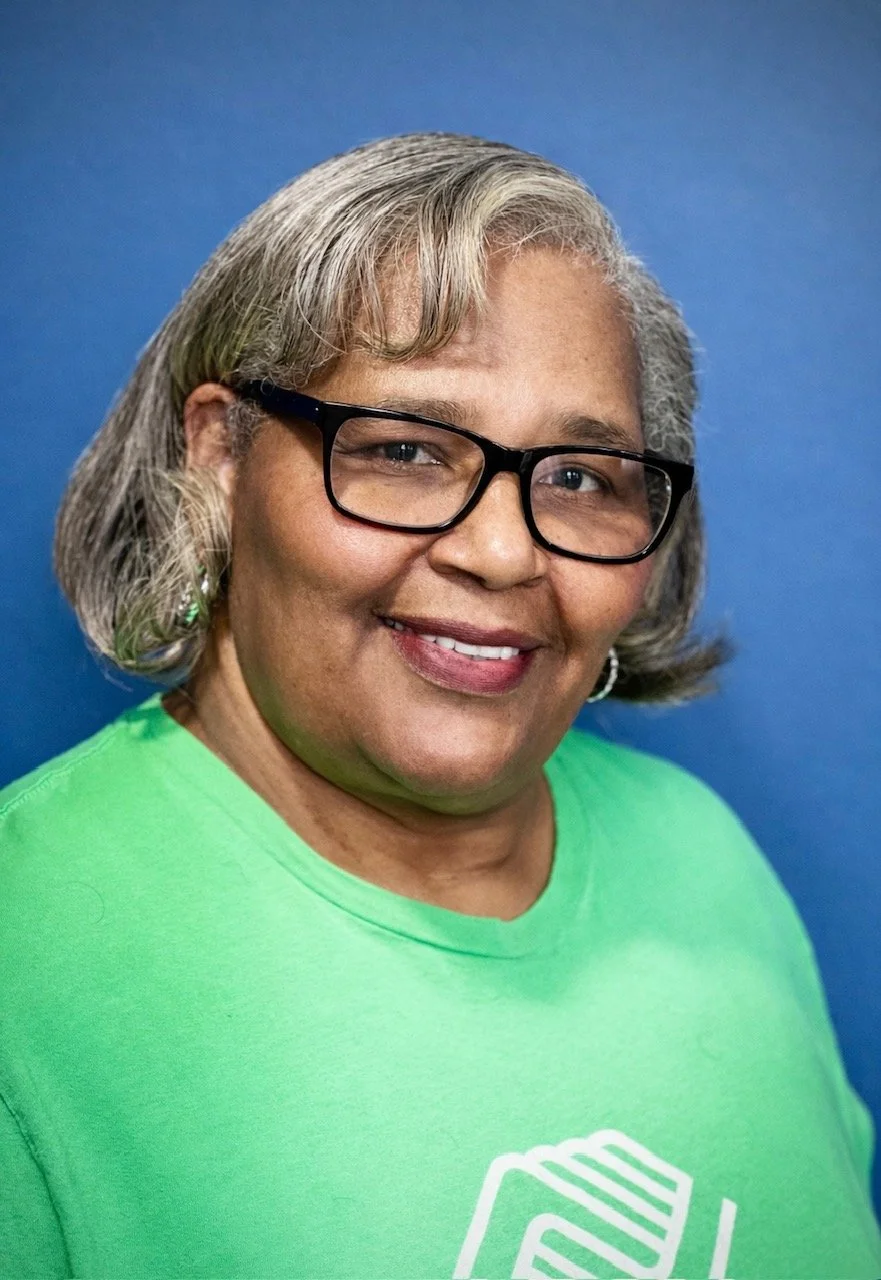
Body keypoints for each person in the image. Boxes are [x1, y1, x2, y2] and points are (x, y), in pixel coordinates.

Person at [0, 132, 878, 1280]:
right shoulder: (30, 946)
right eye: (405, 448)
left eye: (577, 476)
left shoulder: (700, 851)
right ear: (218, 455)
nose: (505, 552)